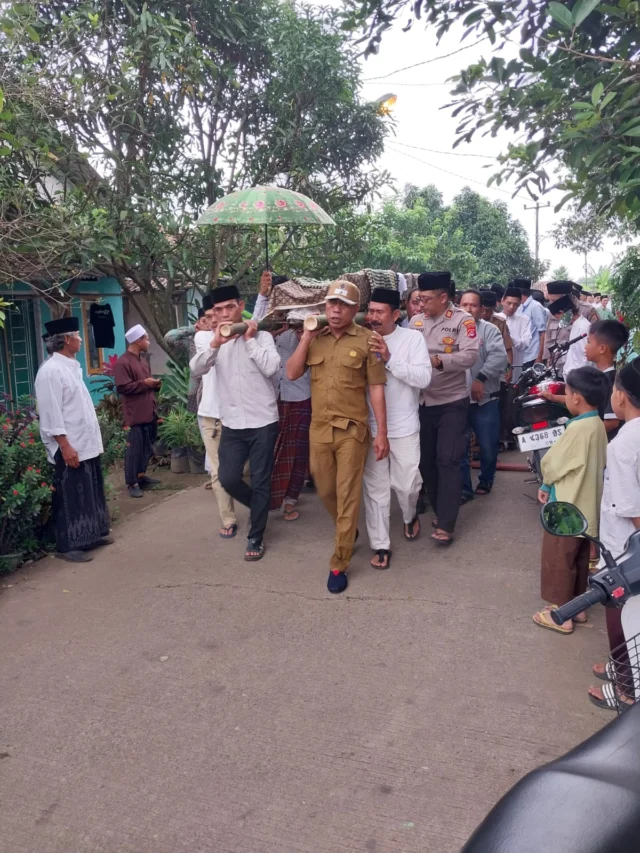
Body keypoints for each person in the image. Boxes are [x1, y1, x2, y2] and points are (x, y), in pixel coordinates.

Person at [286, 280, 389, 593]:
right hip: (319, 429)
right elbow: (291, 373)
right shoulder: (314, 339)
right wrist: (305, 337)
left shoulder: (368, 340)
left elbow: (375, 388)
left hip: (352, 432)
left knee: (347, 495)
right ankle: (348, 531)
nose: (335, 309)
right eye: (331, 303)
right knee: (325, 490)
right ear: (324, 307)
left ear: (354, 310)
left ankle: (339, 561)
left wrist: (381, 433)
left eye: (343, 305)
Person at [190, 284, 280, 561]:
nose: (225, 313)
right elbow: (197, 369)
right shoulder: (209, 340)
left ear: (241, 306)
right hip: (232, 423)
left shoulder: (262, 336)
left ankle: (256, 536)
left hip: (263, 419)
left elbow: (271, 367)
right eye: (219, 310)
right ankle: (260, 506)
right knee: (228, 478)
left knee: (261, 479)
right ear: (213, 314)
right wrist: (217, 343)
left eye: (230, 307)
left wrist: (249, 340)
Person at [533, 366, 609, 633]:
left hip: (566, 506)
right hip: (585, 507)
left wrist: (545, 481)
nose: (565, 397)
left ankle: (560, 614)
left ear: (576, 397)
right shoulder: (597, 424)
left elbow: (554, 463)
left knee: (558, 559)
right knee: (576, 558)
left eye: (566, 392)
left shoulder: (577, 430)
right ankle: (578, 608)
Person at [361, 287, 431, 569]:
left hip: (403, 427)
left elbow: (424, 378)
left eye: (380, 312)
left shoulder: (412, 339)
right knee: (375, 488)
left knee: (407, 485)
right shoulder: (361, 338)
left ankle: (409, 514)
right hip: (370, 426)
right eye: (371, 311)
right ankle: (380, 543)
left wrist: (389, 359)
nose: (373, 317)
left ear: (395, 314)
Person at [409, 271, 480, 545]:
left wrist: (439, 361)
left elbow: (470, 355)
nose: (420, 305)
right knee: (426, 462)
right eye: (418, 300)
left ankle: (447, 523)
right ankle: (441, 510)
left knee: (447, 461)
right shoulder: (415, 322)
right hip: (422, 402)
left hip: (451, 401)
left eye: (425, 299)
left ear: (442, 297)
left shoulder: (464, 320)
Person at [34, 316, 112, 562]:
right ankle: (68, 546)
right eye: (77, 335)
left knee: (88, 491)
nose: (81, 339)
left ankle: (90, 535)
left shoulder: (71, 366)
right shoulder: (50, 372)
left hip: (84, 443)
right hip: (69, 446)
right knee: (71, 496)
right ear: (66, 340)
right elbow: (51, 415)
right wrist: (65, 446)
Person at [588, 359, 640, 710]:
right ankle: (622, 670)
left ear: (620, 396)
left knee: (621, 616)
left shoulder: (624, 444)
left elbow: (633, 512)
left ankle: (625, 689)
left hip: (625, 553)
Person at [190, 293, 241, 538]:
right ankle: (228, 518)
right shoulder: (203, 338)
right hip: (211, 415)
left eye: (218, 314)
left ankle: (258, 506)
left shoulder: (239, 334)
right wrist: (219, 337)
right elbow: (205, 362)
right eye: (209, 316)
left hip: (239, 413)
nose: (214, 320)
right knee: (218, 472)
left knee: (239, 471)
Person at [459, 290, 508, 499]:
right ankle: (463, 489)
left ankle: (486, 479)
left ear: (482, 309)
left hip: (484, 400)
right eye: (464, 305)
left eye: (473, 305)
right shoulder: (452, 329)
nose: (468, 309)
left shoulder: (489, 331)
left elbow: (499, 357)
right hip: (457, 399)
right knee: (458, 448)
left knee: (487, 446)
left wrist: (481, 378)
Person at [269, 325, 312, 522]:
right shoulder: (275, 334)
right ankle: (269, 497)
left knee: (297, 451)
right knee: (271, 450)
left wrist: (306, 335)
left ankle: (290, 499)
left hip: (301, 397)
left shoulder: (317, 335)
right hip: (273, 398)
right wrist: (276, 329)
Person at [114, 325, 162, 498]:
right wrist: (145, 384)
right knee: (134, 449)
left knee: (146, 448)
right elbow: (122, 388)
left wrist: (154, 385)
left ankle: (141, 477)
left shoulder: (142, 359)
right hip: (135, 414)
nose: (148, 341)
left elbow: (145, 383)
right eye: (146, 338)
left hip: (149, 409)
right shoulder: (123, 362)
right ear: (137, 341)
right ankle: (131, 483)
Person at [584, 319, 629, 440]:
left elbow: (611, 422)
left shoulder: (611, 381)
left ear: (602, 348)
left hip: (609, 443)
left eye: (588, 342)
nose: (585, 347)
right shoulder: (600, 376)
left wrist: (585, 436)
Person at [545, 281, 599, 366]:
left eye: (555, 301)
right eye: (550, 301)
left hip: (580, 367)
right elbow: (548, 338)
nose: (552, 305)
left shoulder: (587, 310)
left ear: (566, 298)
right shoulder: (553, 312)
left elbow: (598, 339)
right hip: (557, 366)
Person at [499, 286, 532, 382]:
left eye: (515, 305)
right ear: (502, 301)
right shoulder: (495, 318)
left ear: (519, 305)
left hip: (515, 366)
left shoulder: (524, 320)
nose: (511, 307)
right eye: (509, 303)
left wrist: (508, 339)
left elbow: (526, 343)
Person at [513, 278, 547, 367]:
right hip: (520, 356)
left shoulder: (536, 307)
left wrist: (539, 357)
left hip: (532, 357)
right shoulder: (519, 307)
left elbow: (543, 333)